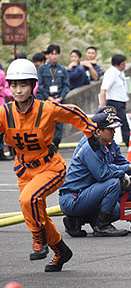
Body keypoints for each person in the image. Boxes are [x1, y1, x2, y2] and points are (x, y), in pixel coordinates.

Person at [0, 59, 100, 272]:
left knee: (29, 199)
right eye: (14, 85)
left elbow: (72, 112)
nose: (18, 90)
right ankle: (61, 250)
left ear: (32, 86)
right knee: (37, 215)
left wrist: (90, 132)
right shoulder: (5, 113)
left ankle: (39, 241)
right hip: (24, 170)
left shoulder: (47, 109)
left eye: (23, 85)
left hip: (50, 167)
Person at [59, 107, 131, 237]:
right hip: (76, 196)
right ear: (98, 131)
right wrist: (123, 175)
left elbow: (123, 166)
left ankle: (78, 220)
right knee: (113, 188)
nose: (114, 131)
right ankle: (101, 225)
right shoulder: (90, 147)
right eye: (110, 127)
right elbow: (103, 174)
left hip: (94, 190)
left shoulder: (109, 144)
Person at [37, 44, 70, 148]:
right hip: (47, 101)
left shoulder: (63, 69)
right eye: (52, 54)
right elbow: (40, 85)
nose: (54, 56)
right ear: (48, 55)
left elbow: (66, 85)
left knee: (59, 124)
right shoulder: (42, 69)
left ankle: (55, 144)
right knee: (46, 123)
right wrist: (49, 98)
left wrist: (60, 98)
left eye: (56, 54)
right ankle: (46, 144)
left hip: (59, 100)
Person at [99, 54, 130, 147]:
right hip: (114, 102)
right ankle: (128, 142)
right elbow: (103, 89)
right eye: (123, 64)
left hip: (121, 102)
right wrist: (102, 105)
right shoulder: (111, 73)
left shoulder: (120, 73)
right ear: (117, 64)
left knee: (120, 123)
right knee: (122, 123)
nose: (124, 66)